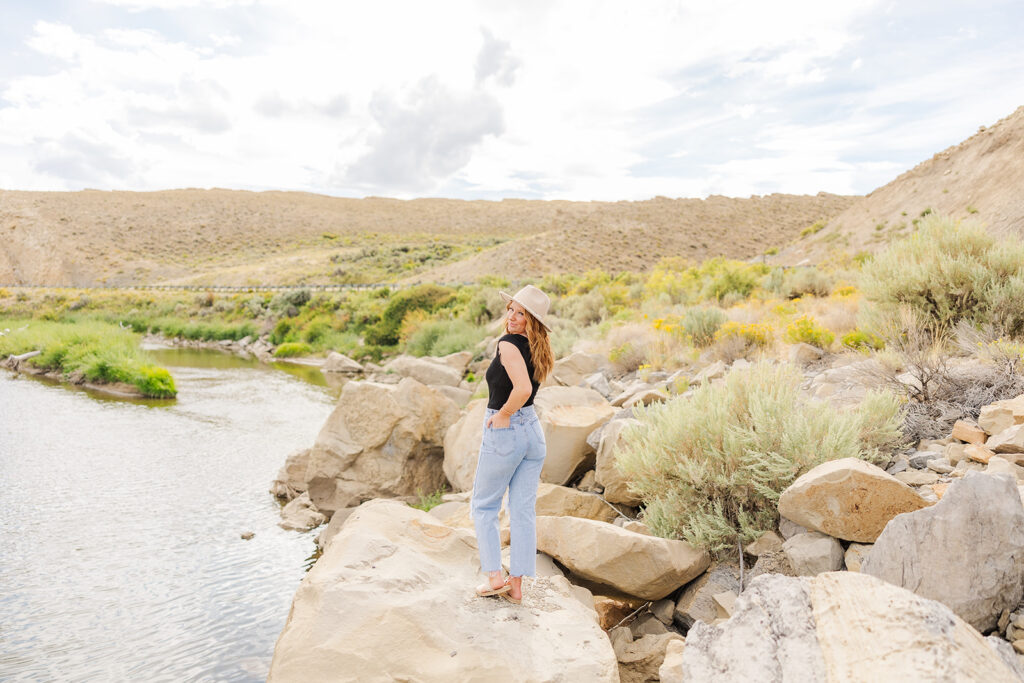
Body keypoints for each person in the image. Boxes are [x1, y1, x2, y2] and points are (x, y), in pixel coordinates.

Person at [471, 284, 554, 605]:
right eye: (511, 310)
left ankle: (494, 579)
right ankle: (515, 586)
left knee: (484, 506)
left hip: (508, 430)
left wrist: (503, 414)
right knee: (521, 511)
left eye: (521, 313)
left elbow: (520, 389)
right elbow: (529, 389)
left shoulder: (508, 345)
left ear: (532, 321)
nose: (512, 317)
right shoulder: (538, 346)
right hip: (533, 432)